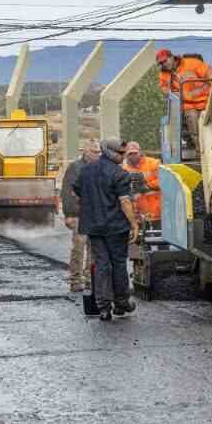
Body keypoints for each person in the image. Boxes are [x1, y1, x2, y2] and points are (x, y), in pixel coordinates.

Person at [71, 137, 139, 321]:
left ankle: (103, 308)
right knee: (118, 263)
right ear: (110, 152)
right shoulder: (120, 174)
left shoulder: (86, 171)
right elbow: (125, 202)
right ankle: (121, 303)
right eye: (120, 153)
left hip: (94, 226)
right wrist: (134, 224)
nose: (123, 156)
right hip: (116, 227)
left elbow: (76, 192)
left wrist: (91, 205)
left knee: (101, 264)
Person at [60, 140, 100, 292]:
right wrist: (69, 214)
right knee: (79, 248)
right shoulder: (75, 168)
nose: (97, 155)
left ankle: (90, 279)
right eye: (94, 152)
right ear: (85, 152)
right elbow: (67, 192)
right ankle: (75, 280)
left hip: (96, 214)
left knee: (93, 249)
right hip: (79, 214)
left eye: (98, 152)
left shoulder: (99, 167)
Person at [156, 48, 212, 154]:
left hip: (207, 100)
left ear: (172, 57)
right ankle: (201, 149)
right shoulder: (163, 74)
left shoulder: (193, 63)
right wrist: (173, 93)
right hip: (188, 105)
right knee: (192, 117)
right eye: (161, 63)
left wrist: (209, 85)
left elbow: (210, 74)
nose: (164, 64)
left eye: (165, 61)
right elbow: (165, 88)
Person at [122, 141, 162, 233]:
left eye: (135, 153)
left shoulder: (154, 163)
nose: (133, 156)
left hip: (156, 212)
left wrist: (147, 185)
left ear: (140, 152)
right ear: (126, 155)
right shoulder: (123, 169)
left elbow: (164, 180)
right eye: (130, 153)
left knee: (158, 237)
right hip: (137, 215)